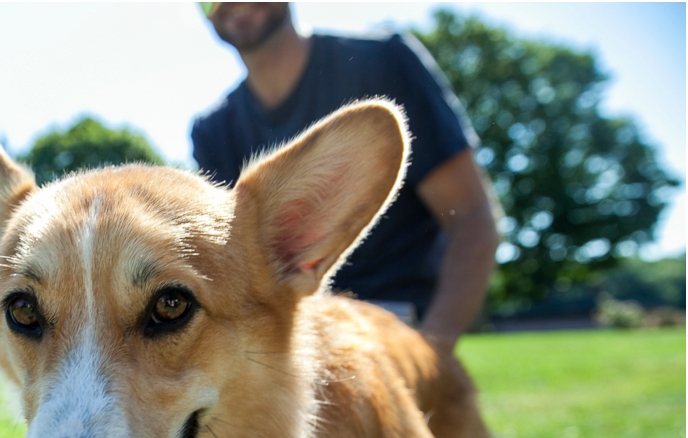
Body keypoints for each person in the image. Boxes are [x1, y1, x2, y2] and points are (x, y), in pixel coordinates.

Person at [193, 2, 499, 353]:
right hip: (297, 338)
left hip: (397, 325)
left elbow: (472, 217)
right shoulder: (213, 130)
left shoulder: (383, 63)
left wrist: (433, 348)